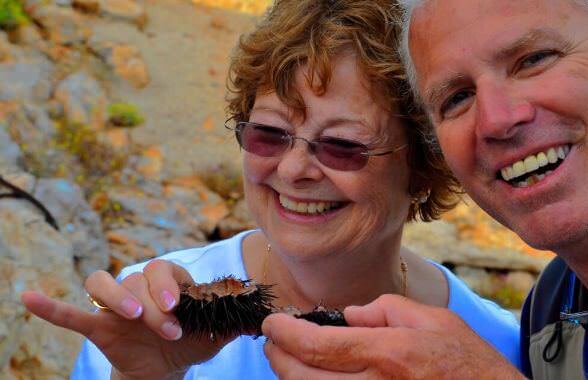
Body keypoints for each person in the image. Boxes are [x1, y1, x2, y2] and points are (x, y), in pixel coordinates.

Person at [20, 1, 523, 379]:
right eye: (268, 133)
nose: (294, 168)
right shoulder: (149, 314)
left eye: (343, 145)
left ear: (422, 164)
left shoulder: (496, 349)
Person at [262, 0, 588, 378]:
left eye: (534, 60)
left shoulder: (504, 336)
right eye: (456, 98)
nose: (495, 120)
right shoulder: (551, 309)